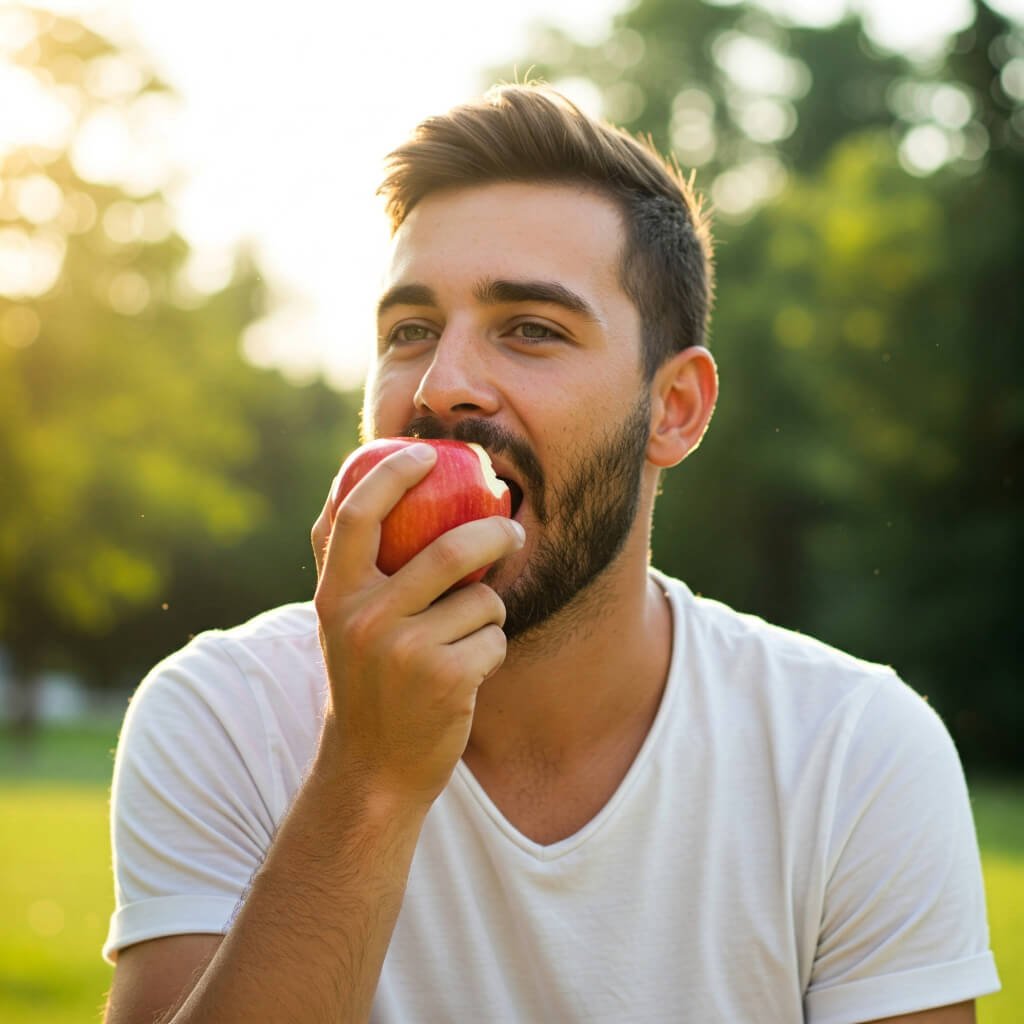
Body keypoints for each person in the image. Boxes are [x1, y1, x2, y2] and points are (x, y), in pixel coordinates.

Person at [102, 84, 999, 1024]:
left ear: (675, 409)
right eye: (410, 330)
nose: (443, 386)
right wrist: (367, 774)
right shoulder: (223, 715)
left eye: (531, 329)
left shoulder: (853, 755)